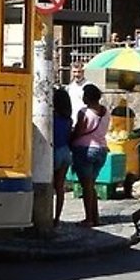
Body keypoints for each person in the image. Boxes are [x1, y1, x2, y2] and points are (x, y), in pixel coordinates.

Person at [69, 84, 110, 227]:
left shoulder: (84, 112)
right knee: (91, 185)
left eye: (84, 95)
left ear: (88, 97)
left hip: (85, 150)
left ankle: (89, 219)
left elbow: (79, 131)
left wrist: (70, 140)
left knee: (86, 187)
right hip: (102, 150)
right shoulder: (105, 111)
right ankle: (95, 217)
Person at [52, 87, 74, 228]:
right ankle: (57, 218)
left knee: (48, 186)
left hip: (53, 152)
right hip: (65, 152)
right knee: (60, 188)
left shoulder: (50, 118)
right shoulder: (68, 120)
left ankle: (46, 215)